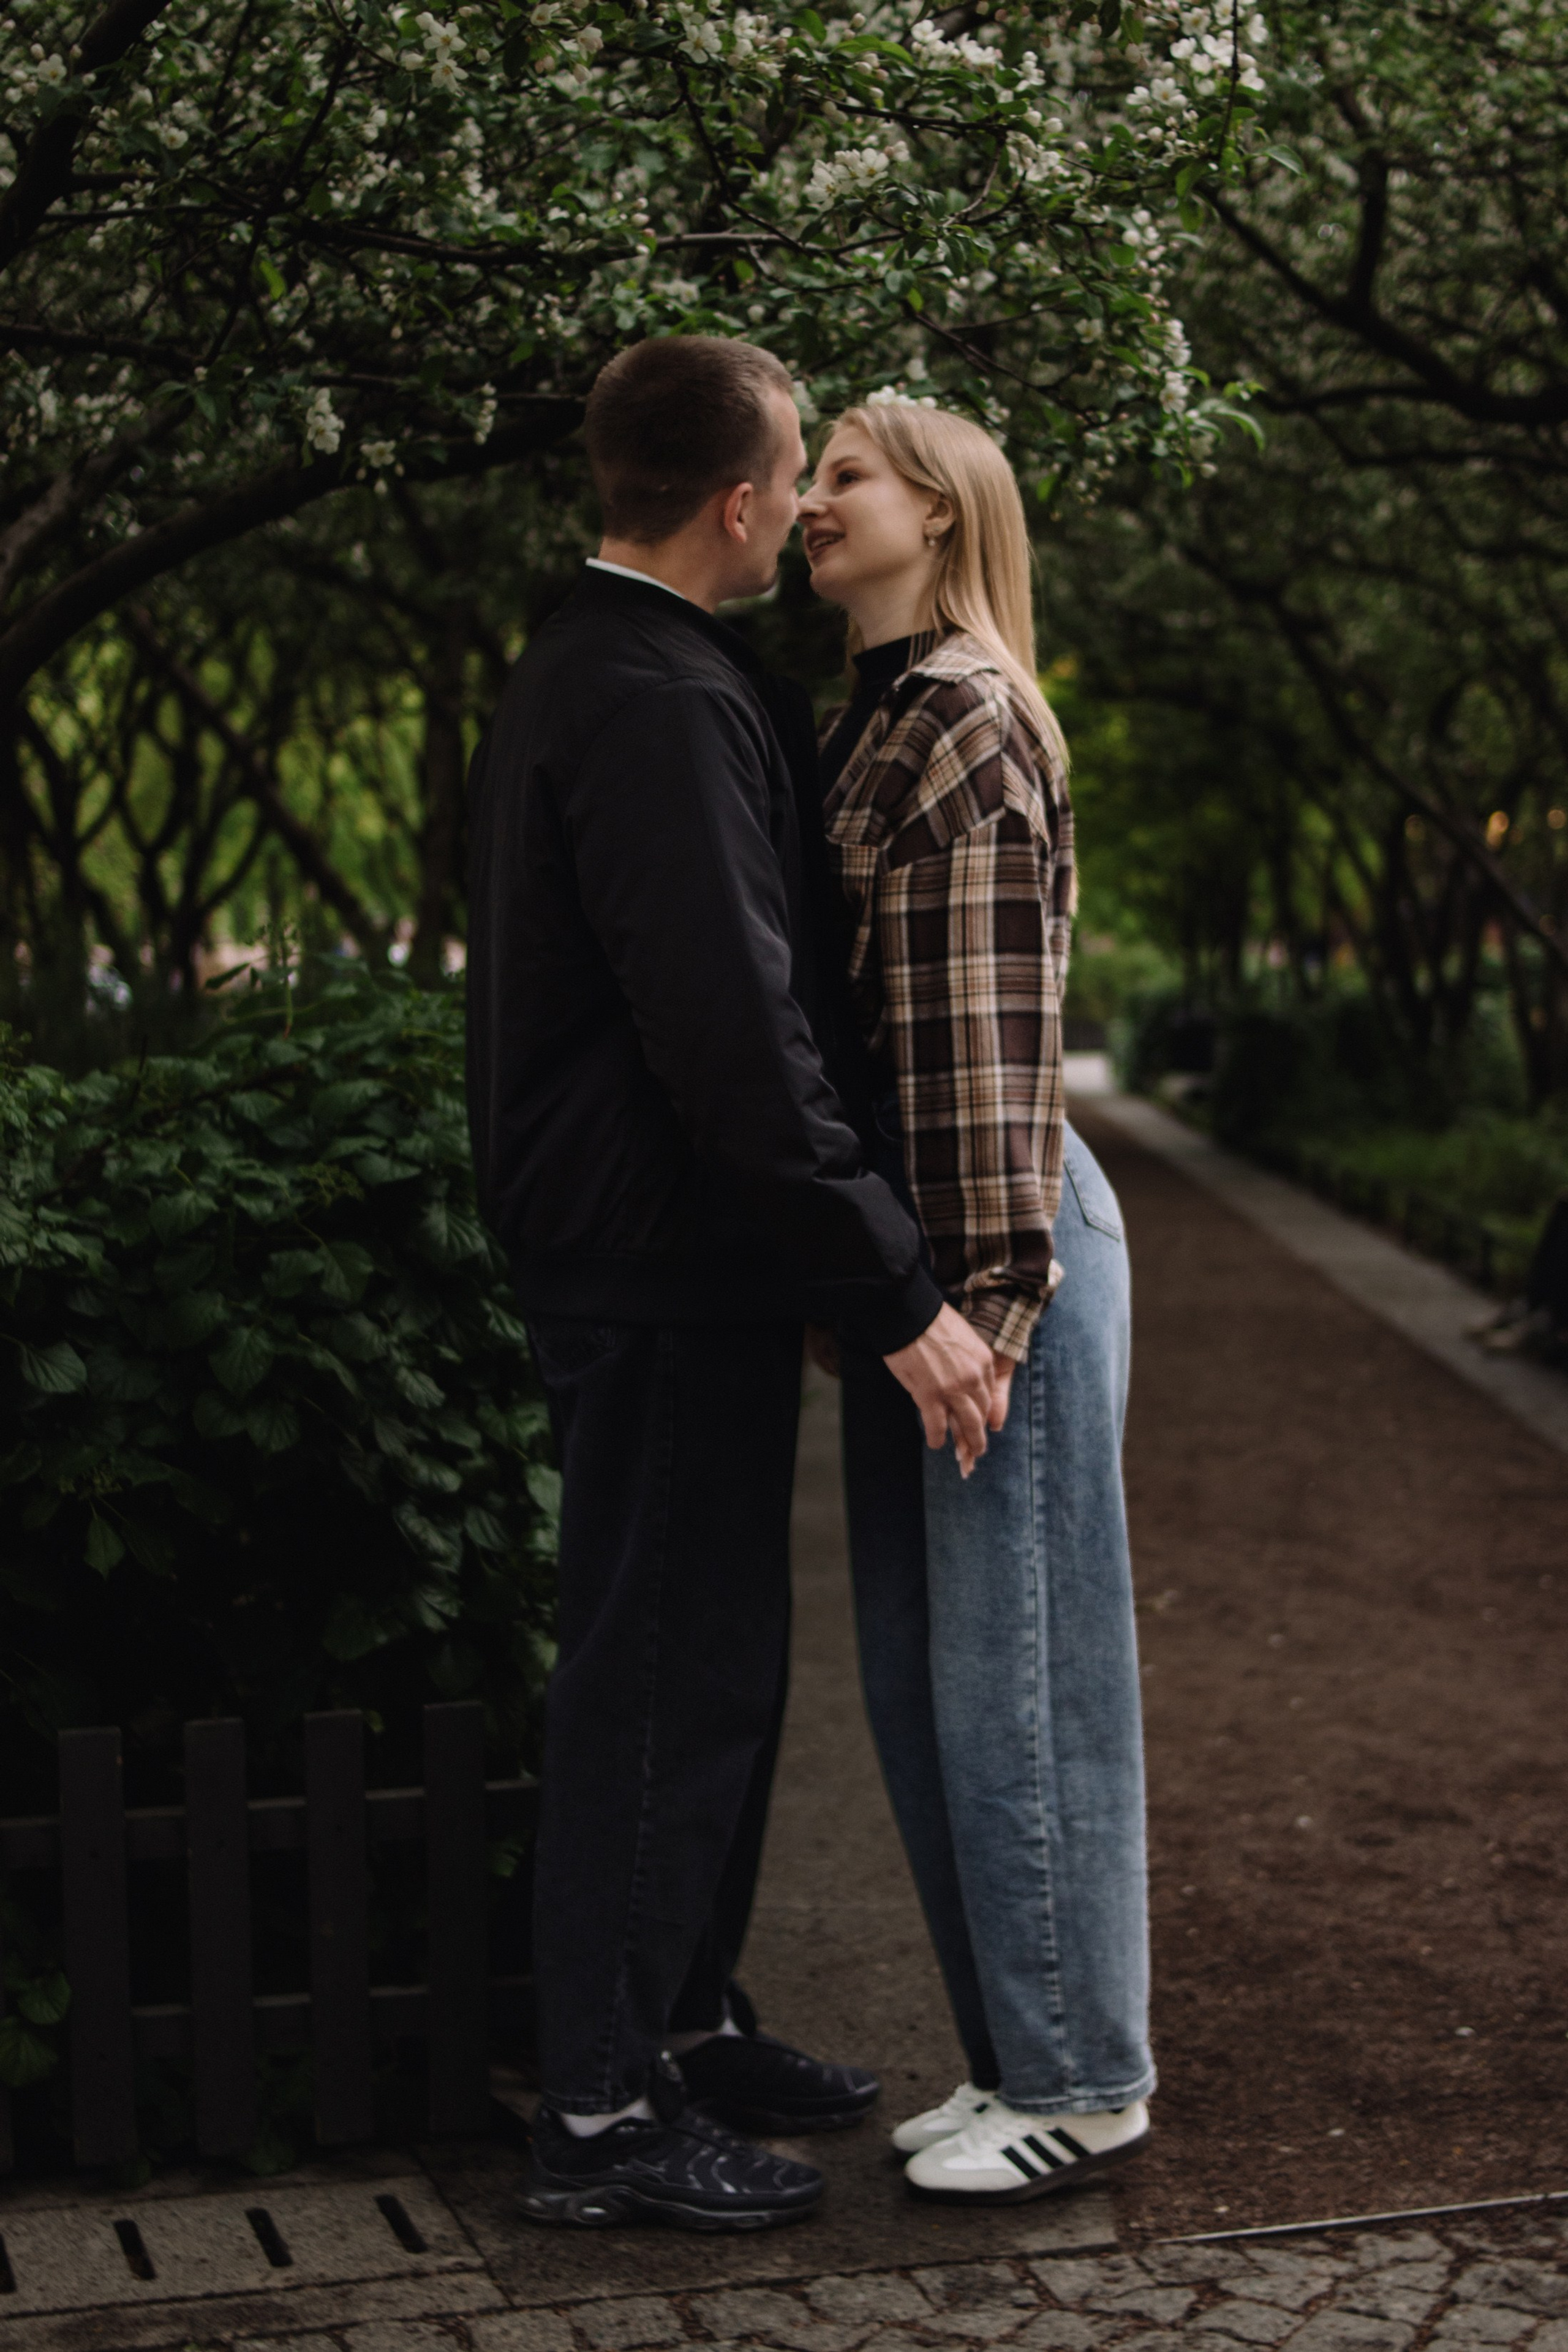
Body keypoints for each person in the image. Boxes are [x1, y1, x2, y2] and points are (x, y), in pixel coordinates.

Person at [464, 338, 997, 2232]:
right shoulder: (654, 695)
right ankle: (602, 2120)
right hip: (655, 1255)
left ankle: (678, 2019)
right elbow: (734, 1037)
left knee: (719, 1666)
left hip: (668, 1253)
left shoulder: (624, 666)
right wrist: (893, 1288)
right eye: (803, 470)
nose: (812, 501)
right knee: (665, 1673)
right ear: (746, 502)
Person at [797, 397, 1156, 2204]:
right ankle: (1019, 2057)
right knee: (932, 1688)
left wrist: (990, 1309)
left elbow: (987, 1057)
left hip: (987, 1250)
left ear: (940, 513)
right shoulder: (869, 715)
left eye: (844, 474)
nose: (807, 500)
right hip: (922, 1266)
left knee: (1021, 1688)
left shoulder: (959, 719)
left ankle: (1085, 2080)